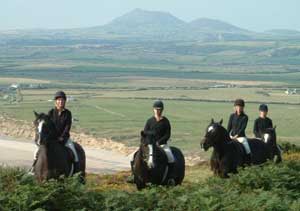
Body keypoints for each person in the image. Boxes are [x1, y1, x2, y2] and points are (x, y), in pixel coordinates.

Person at [30, 91, 79, 173]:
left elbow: (67, 127)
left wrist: (62, 137)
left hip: (64, 139)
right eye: (59, 100)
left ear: (65, 101)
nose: (60, 102)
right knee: (36, 152)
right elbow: (48, 125)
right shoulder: (51, 112)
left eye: (62, 100)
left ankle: (77, 172)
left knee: (74, 153)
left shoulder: (68, 113)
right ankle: (33, 168)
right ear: (56, 101)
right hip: (52, 139)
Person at [128, 100, 175, 183]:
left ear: (162, 110)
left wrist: (159, 142)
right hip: (149, 145)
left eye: (159, 109)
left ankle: (170, 178)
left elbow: (167, 134)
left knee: (171, 157)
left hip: (162, 145)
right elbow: (145, 133)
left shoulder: (165, 122)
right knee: (132, 156)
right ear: (153, 110)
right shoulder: (150, 121)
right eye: (156, 109)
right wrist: (147, 142)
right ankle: (133, 175)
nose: (158, 111)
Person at [227, 99, 252, 163]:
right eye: (237, 106)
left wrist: (237, 135)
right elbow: (229, 127)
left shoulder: (245, 117)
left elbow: (243, 128)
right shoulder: (232, 116)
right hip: (231, 136)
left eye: (240, 107)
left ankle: (248, 159)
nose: (238, 108)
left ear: (243, 108)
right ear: (235, 107)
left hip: (241, 137)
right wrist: (227, 135)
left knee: (247, 147)